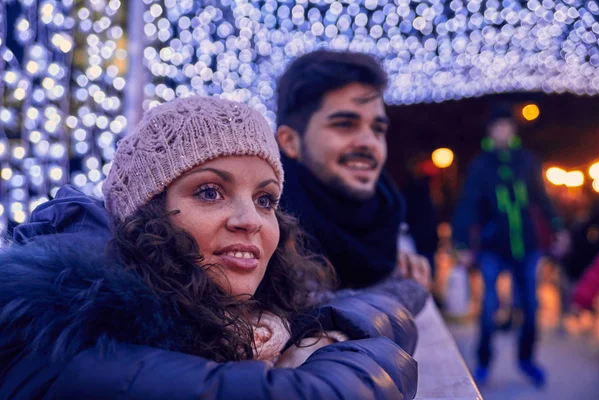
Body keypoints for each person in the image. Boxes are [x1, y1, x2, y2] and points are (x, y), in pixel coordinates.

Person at [0, 96, 419, 398]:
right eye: (209, 192)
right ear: (145, 216)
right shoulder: (75, 341)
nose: (250, 219)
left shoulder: (246, 319)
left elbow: (371, 306)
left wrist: (326, 329)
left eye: (265, 199)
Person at [275, 49, 430, 290]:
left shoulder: (391, 228)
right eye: (345, 125)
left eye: (378, 129)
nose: (369, 143)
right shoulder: (264, 246)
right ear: (290, 142)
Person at [452, 103, 569, 387]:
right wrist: (462, 243)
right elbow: (468, 205)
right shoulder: (480, 165)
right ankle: (482, 363)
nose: (502, 131)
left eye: (507, 126)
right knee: (489, 306)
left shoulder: (527, 160)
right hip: (493, 246)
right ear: (491, 131)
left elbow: (541, 197)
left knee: (530, 306)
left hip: (526, 247)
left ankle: (527, 360)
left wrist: (557, 228)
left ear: (513, 129)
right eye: (497, 126)